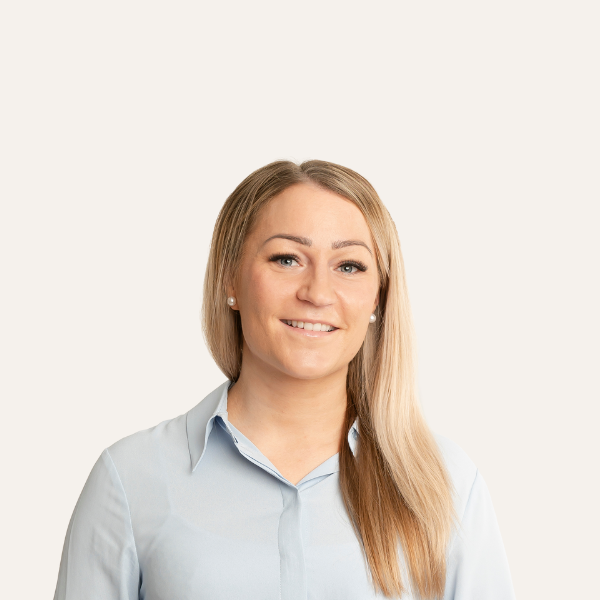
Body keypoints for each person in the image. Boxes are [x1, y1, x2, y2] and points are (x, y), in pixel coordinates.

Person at [54, 160, 516, 599]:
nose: (317, 293)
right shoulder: (131, 480)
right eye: (287, 259)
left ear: (378, 297)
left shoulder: (448, 486)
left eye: (349, 266)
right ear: (230, 279)